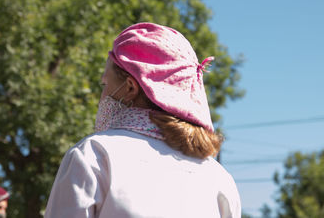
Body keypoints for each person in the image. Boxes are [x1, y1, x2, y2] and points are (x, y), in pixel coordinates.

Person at [45, 22, 241, 217]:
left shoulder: (95, 155)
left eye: (104, 84)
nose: (101, 96)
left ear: (130, 87)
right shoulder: (220, 180)